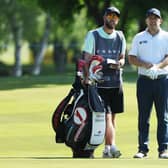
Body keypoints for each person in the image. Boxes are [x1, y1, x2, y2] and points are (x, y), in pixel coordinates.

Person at [82, 6, 126, 158]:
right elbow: (86, 59)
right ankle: (113, 147)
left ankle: (107, 149)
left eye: (115, 16)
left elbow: (122, 57)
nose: (112, 19)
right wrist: (87, 77)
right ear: (104, 17)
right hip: (98, 83)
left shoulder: (120, 36)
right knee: (106, 116)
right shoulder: (93, 35)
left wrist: (119, 63)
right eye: (110, 16)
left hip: (116, 82)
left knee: (112, 117)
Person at [128, 8, 168, 159]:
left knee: (163, 116)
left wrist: (157, 67)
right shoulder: (139, 37)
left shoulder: (166, 36)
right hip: (144, 81)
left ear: (160, 20)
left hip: (163, 80)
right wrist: (147, 65)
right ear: (146, 20)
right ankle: (142, 149)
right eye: (150, 18)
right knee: (144, 116)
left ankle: (163, 149)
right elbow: (132, 58)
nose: (153, 21)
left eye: (156, 18)